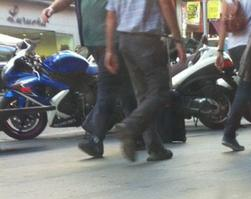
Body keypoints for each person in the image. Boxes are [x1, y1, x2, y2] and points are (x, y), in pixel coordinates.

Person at [40, 0, 137, 159]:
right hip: (97, 42)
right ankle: (140, 136)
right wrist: (51, 8)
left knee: (111, 91)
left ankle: (95, 138)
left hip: (111, 42)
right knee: (124, 90)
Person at [104, 0, 186, 162]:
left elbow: (111, 16)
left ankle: (155, 148)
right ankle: (130, 127)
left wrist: (110, 50)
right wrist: (177, 40)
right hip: (149, 40)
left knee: (142, 96)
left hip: (125, 41)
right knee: (161, 92)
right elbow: (165, 4)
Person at [217, 0, 251, 152]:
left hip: (233, 46)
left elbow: (223, 22)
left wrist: (220, 50)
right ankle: (229, 133)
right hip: (250, 45)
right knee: (245, 88)